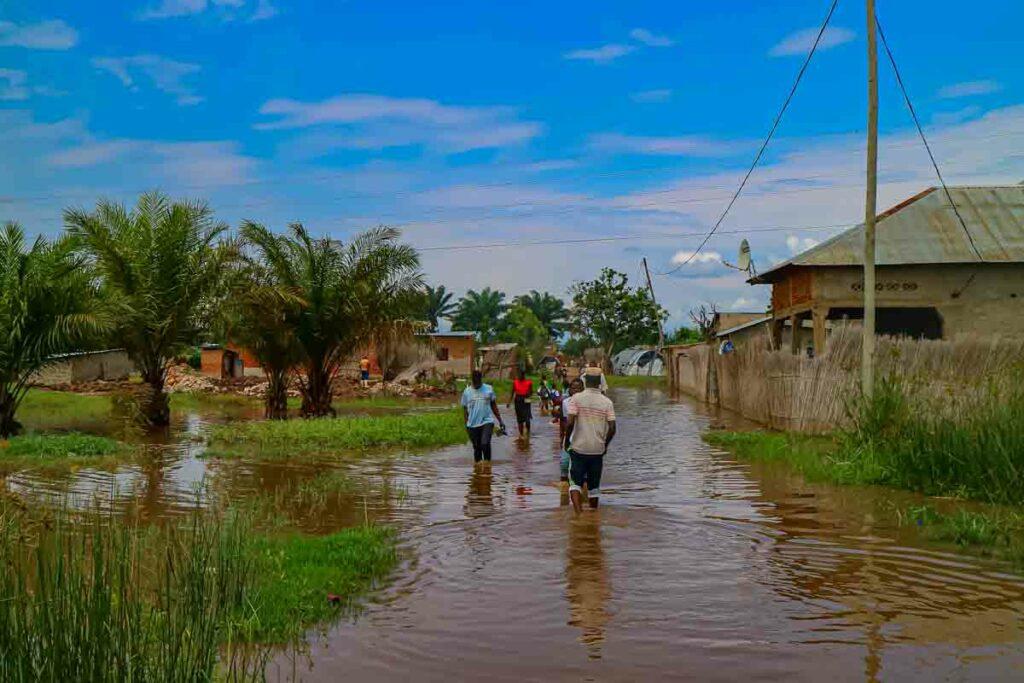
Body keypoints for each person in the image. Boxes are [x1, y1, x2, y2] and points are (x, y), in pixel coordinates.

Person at [564, 369, 616, 513]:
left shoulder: (576, 399)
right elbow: (612, 428)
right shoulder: (607, 402)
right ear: (600, 382)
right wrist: (605, 445)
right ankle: (593, 516)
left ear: (585, 381)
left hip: (579, 448)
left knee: (574, 483)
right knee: (594, 487)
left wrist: (567, 441)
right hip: (597, 450)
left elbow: (569, 423)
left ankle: (579, 515)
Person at [461, 370, 505, 463]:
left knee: (485, 444)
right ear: (472, 380)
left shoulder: (488, 389)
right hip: (472, 425)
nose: (477, 384)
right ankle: (478, 472)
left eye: (478, 381)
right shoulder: (467, 392)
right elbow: (465, 409)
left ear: (481, 379)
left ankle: (487, 466)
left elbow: (494, 405)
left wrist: (500, 420)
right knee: (477, 449)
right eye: (475, 381)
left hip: (487, 422)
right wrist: (466, 425)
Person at [558, 378, 584, 496]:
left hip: (582, 439)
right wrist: (562, 438)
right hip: (568, 438)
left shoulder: (586, 404)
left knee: (581, 469)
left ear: (583, 390)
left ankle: (580, 493)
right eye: (573, 388)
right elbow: (563, 422)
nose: (575, 391)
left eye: (578, 388)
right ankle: (563, 494)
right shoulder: (565, 403)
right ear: (569, 390)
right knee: (564, 463)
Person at [506, 367, 534, 439]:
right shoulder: (515, 382)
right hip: (518, 401)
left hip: (527, 400)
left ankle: (528, 433)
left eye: (522, 374)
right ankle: (521, 435)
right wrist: (509, 402)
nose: (520, 376)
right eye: (519, 374)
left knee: (527, 419)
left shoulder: (529, 382)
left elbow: (531, 392)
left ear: (524, 375)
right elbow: (512, 392)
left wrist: (529, 393)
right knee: (520, 419)